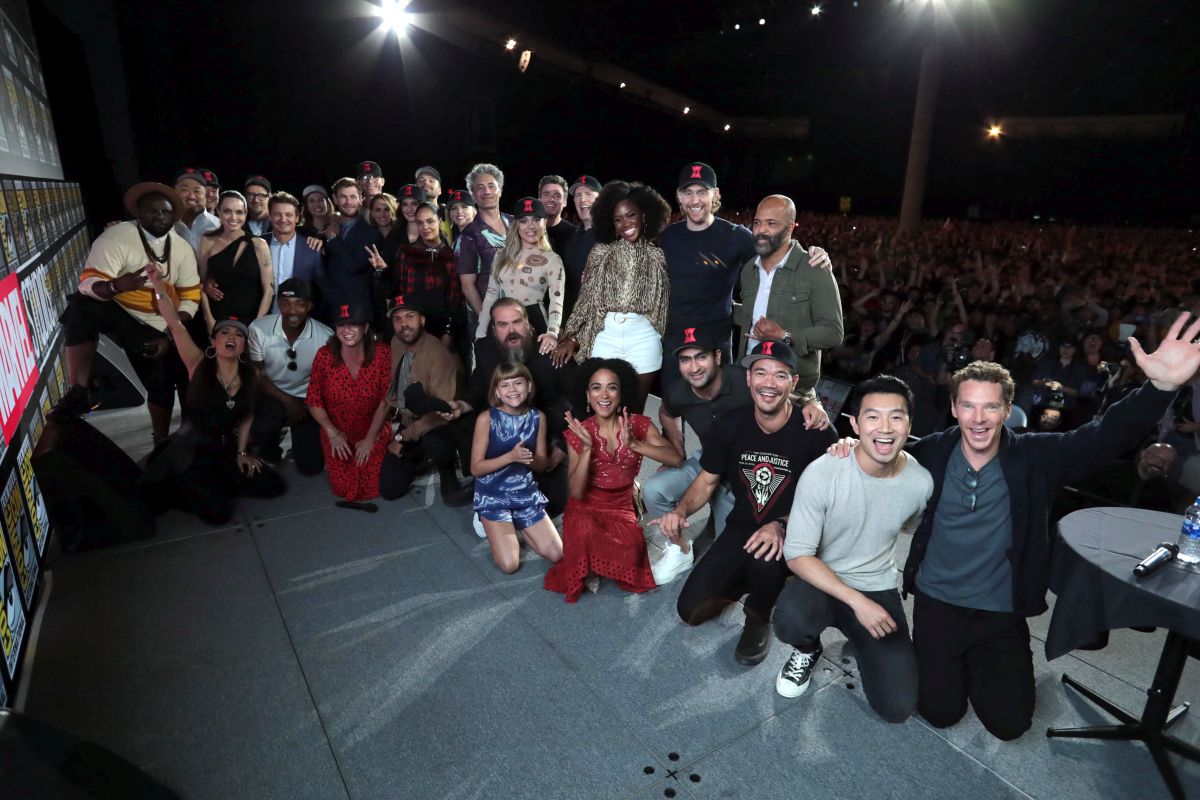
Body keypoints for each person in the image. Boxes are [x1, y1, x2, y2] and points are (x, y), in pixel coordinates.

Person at [829, 312, 1200, 740]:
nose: (979, 417)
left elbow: (1103, 438)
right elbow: (876, 454)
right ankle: (938, 661)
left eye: (991, 406)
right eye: (968, 405)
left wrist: (1160, 388)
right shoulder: (928, 455)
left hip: (1000, 612)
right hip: (936, 606)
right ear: (953, 408)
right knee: (941, 712)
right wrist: (848, 445)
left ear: (1008, 409)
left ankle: (972, 663)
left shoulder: (1037, 457)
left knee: (1010, 725)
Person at [653, 340, 837, 666]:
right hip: (742, 526)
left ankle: (759, 614)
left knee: (766, 558)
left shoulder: (816, 431)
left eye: (780, 375)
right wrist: (680, 511)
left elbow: (830, 502)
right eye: (760, 373)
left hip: (794, 530)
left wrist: (782, 525)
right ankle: (756, 579)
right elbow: (707, 479)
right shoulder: (730, 424)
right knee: (690, 611)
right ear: (749, 379)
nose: (769, 383)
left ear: (794, 383)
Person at [773, 375, 933, 723]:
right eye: (873, 417)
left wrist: (868, 602)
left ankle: (863, 643)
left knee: (897, 707)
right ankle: (807, 648)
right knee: (789, 619)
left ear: (909, 423)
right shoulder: (824, 471)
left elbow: (909, 525)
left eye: (897, 416)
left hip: (876, 583)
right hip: (822, 578)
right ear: (855, 423)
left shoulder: (921, 483)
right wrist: (858, 603)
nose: (885, 427)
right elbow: (797, 554)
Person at [644, 326, 831, 585]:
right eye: (686, 360)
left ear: (718, 357)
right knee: (654, 489)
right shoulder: (678, 391)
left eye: (701, 357)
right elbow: (666, 412)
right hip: (707, 461)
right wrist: (676, 450)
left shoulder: (747, 380)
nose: (694, 367)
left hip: (743, 471)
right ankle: (679, 548)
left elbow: (785, 393)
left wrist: (814, 403)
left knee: (735, 561)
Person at [55, 182, 200, 441]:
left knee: (162, 381)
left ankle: (162, 440)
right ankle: (79, 390)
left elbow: (191, 298)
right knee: (80, 305)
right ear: (138, 213)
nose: (159, 216)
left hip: (159, 323)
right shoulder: (116, 237)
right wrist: (114, 285)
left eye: (165, 212)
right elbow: (86, 285)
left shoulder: (181, 248)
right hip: (119, 310)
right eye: (152, 211)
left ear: (174, 216)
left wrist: (169, 334)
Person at [141, 264, 285, 524]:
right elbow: (174, 323)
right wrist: (158, 285)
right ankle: (181, 485)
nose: (231, 337)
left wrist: (242, 453)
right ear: (214, 341)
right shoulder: (197, 363)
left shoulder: (251, 373)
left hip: (224, 448)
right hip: (193, 450)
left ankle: (221, 480)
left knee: (273, 486)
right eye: (225, 333)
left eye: (238, 335)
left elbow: (247, 415)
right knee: (219, 515)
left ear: (243, 345)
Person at [544, 358, 681, 602]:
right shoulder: (579, 430)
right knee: (585, 530)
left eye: (612, 387)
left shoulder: (638, 424)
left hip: (620, 505)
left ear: (621, 393)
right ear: (587, 395)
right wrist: (586, 449)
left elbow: (675, 458)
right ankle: (588, 562)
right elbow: (575, 493)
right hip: (586, 504)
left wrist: (635, 444)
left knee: (633, 549)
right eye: (596, 387)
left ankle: (593, 559)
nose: (603, 394)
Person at [446, 299, 573, 521]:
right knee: (464, 421)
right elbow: (478, 384)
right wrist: (463, 404)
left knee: (555, 501)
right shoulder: (485, 349)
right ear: (494, 329)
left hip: (550, 432)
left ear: (529, 325)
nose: (511, 330)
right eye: (503, 324)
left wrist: (562, 445)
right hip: (505, 431)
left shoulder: (551, 351)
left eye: (516, 322)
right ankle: (484, 482)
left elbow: (579, 402)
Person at [552, 180, 672, 412]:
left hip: (644, 338)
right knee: (603, 409)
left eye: (631, 215)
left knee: (634, 411)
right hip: (605, 335)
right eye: (618, 219)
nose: (625, 223)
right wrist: (572, 337)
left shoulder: (659, 256)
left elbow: (665, 305)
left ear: (644, 215)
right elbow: (586, 301)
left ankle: (630, 450)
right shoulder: (600, 253)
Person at [734, 195, 844, 399]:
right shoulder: (749, 269)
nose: (761, 230)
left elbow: (834, 333)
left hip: (793, 391)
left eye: (771, 223)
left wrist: (786, 336)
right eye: (757, 223)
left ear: (790, 227)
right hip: (748, 382)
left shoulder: (814, 267)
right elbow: (750, 314)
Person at [470, 360, 565, 573]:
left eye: (518, 383)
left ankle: (516, 526)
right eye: (505, 385)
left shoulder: (537, 417)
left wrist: (526, 458)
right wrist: (511, 457)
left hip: (524, 491)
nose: (512, 390)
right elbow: (475, 468)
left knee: (557, 554)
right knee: (510, 565)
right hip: (492, 494)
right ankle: (484, 518)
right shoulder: (487, 418)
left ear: (529, 386)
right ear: (497, 391)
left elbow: (541, 466)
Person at [379, 295, 473, 505]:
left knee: (435, 442)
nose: (404, 324)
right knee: (389, 489)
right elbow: (398, 387)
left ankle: (448, 477)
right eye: (397, 319)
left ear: (422, 319)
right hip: (410, 420)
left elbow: (441, 413)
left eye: (409, 316)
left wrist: (402, 438)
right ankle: (417, 457)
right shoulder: (396, 342)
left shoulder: (438, 355)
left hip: (439, 423)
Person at [305, 302, 393, 502]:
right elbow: (313, 400)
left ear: (366, 327)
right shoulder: (324, 356)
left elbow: (386, 400)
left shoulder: (382, 353)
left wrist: (370, 439)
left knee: (376, 485)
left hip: (373, 427)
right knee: (342, 487)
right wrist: (332, 432)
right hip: (338, 430)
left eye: (353, 324)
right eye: (341, 325)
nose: (347, 330)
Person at [249, 278, 331, 474]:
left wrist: (305, 404)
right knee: (267, 419)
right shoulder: (259, 328)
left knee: (311, 467)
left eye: (300, 304)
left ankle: (298, 445)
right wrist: (288, 401)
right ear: (278, 303)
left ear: (309, 305)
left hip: (307, 399)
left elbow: (326, 382)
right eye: (286, 304)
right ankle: (267, 449)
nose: (292, 311)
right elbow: (257, 374)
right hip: (271, 394)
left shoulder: (326, 337)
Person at [371, 202, 464, 347]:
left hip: (441, 331)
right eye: (420, 222)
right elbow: (392, 291)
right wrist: (381, 271)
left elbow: (455, 299)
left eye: (430, 221)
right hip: (409, 331)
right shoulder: (406, 252)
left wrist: (448, 333)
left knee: (440, 368)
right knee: (407, 368)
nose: (425, 227)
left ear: (439, 221)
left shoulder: (450, 255)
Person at [476, 197, 565, 346]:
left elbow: (557, 300)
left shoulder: (552, 259)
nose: (531, 226)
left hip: (536, 323)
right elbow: (491, 296)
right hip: (504, 322)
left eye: (536, 220)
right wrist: (481, 331)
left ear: (544, 224)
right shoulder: (501, 255)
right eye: (524, 221)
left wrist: (552, 333)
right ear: (516, 225)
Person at [199, 190, 274, 330]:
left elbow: (269, 291)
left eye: (239, 212)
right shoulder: (207, 241)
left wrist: (256, 326)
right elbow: (201, 283)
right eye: (227, 211)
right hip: (217, 320)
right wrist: (208, 319)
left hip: (250, 320)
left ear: (245, 213)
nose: (233, 217)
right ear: (218, 211)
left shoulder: (259, 244)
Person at [455, 163, 511, 324]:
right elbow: (467, 286)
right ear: (473, 194)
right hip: (489, 317)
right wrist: (487, 319)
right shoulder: (468, 236)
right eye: (480, 187)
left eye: (491, 186)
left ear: (499, 190)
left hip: (520, 312)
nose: (486, 191)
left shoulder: (516, 224)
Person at [324, 177, 384, 311]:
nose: (348, 202)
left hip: (358, 307)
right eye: (343, 197)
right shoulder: (329, 227)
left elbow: (354, 266)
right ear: (335, 199)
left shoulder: (372, 233)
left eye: (352, 196)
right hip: (329, 305)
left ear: (360, 199)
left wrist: (333, 239)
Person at [265, 192, 327, 314]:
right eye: (277, 214)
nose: (283, 219)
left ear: (297, 217)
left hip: (300, 321)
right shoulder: (258, 243)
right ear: (270, 216)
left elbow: (322, 290)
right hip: (263, 319)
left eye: (288, 215)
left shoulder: (312, 248)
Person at [560, 174, 600, 330]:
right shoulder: (572, 239)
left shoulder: (613, 236)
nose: (583, 199)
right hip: (576, 326)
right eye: (578, 195)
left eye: (589, 194)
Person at [171, 167, 219, 255]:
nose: (191, 196)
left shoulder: (219, 226)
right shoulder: (167, 227)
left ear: (205, 195)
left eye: (197, 190)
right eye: (184, 190)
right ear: (174, 193)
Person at [538, 175, 577, 256]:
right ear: (539, 199)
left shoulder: (574, 235)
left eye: (557, 195)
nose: (551, 199)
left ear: (565, 202)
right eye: (546, 194)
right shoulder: (529, 232)